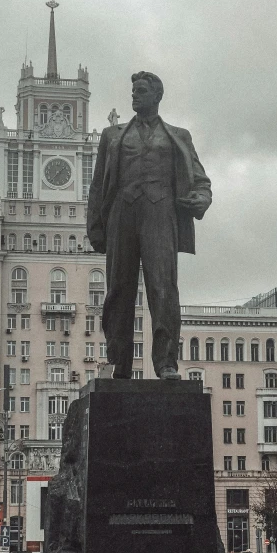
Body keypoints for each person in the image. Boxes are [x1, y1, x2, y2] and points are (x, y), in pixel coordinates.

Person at [87, 71, 212, 380]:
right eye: (133, 91)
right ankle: (119, 363)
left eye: (141, 91)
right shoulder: (112, 136)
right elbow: (97, 186)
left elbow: (200, 180)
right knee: (119, 290)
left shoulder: (178, 136)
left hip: (161, 215)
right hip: (122, 216)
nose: (134, 96)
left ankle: (166, 363)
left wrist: (201, 199)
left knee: (163, 288)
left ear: (157, 96)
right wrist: (95, 227)